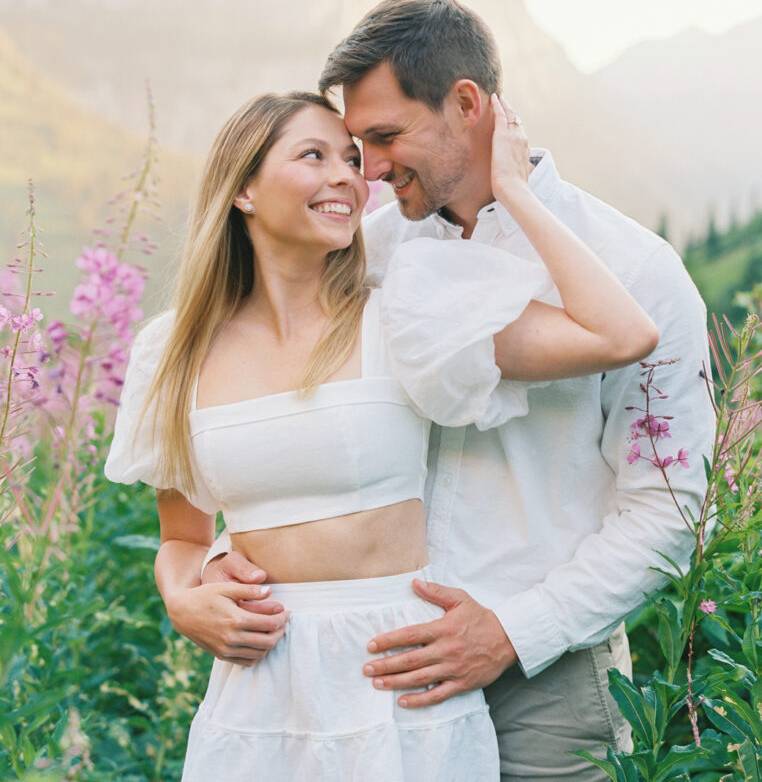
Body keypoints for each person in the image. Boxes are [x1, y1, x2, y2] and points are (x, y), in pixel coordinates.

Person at [189, 0, 715, 781]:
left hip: (552, 685)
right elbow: (313, 433)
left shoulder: (637, 274)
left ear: (467, 105)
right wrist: (225, 562)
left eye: (385, 136)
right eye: (354, 142)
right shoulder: (366, 252)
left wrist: (512, 630)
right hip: (374, 682)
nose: (366, 167)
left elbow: (669, 510)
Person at [106, 86, 660, 780]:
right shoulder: (173, 352)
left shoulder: (406, 315)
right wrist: (184, 600)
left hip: (399, 678)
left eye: (350, 157)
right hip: (258, 696)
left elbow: (624, 333)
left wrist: (515, 189)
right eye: (314, 155)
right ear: (243, 189)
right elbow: (183, 538)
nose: (347, 175)